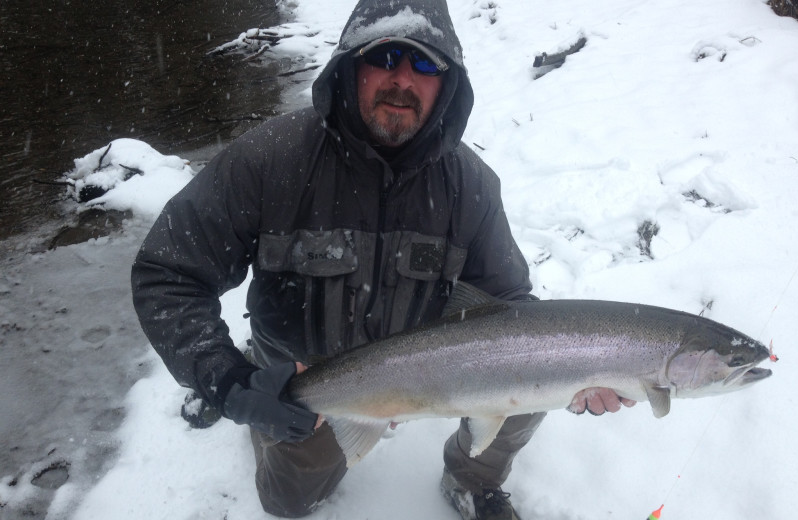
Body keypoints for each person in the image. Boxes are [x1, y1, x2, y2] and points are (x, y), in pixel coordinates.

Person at [131, 0, 634, 518]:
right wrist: (229, 380)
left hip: (433, 369)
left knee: (531, 373)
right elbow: (167, 273)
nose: (403, 79)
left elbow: (509, 303)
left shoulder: (471, 187)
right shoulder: (270, 159)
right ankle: (261, 377)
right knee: (289, 503)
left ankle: (473, 478)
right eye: (386, 56)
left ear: (447, 83)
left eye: (425, 65)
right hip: (308, 378)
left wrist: (582, 369)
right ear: (351, 65)